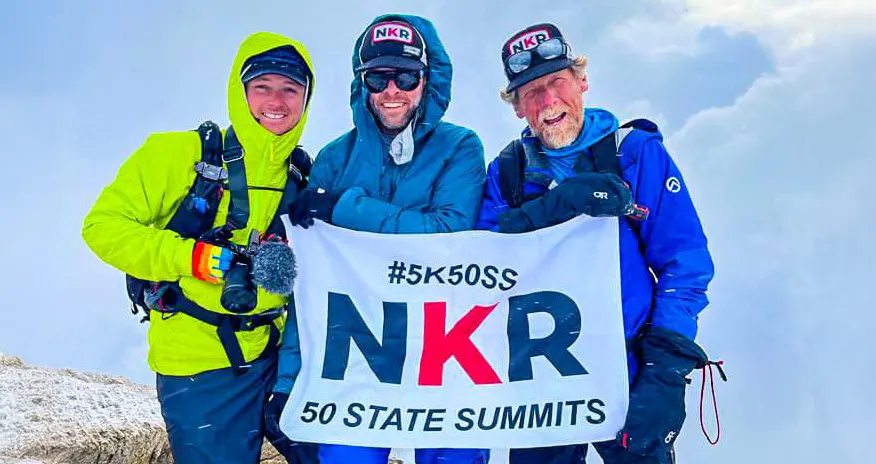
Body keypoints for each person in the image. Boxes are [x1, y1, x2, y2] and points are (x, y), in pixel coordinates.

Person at [476, 23, 715, 464]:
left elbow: (685, 262)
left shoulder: (633, 153)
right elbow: (484, 265)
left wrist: (666, 368)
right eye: (531, 92)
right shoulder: (506, 172)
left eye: (557, 83)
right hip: (540, 378)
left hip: (630, 369)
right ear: (516, 107)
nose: (548, 102)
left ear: (581, 81)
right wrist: (556, 206)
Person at [82, 32, 318, 464]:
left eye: (291, 89)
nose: (276, 101)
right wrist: (191, 258)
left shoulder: (303, 175)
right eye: (262, 86)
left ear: (306, 98)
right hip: (197, 365)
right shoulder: (180, 154)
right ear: (240, 90)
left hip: (278, 356)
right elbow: (103, 227)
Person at [264, 14, 489, 464]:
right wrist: (289, 382)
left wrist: (344, 207)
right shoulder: (333, 158)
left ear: (428, 80)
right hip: (356, 364)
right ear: (361, 83)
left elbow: (447, 236)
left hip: (445, 360)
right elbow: (311, 286)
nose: (392, 91)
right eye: (378, 77)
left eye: (406, 76)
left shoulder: (460, 147)